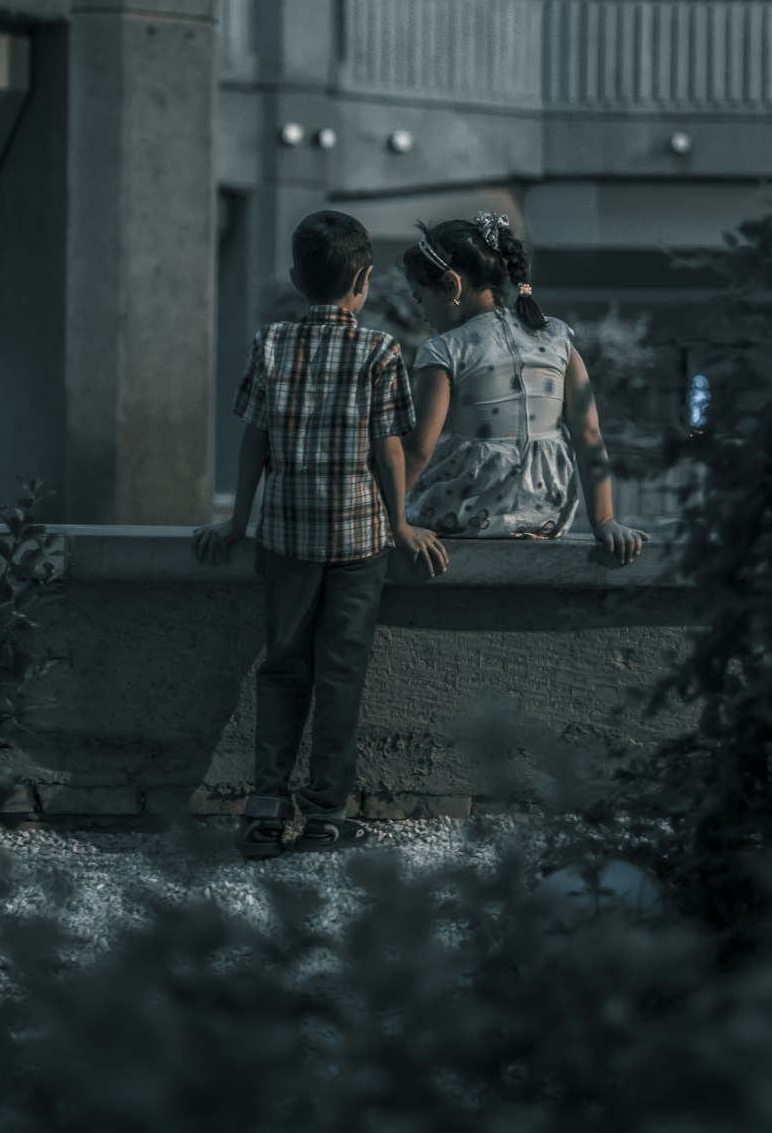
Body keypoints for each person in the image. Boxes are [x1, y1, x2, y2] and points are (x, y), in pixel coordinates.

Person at [193, 211, 448, 859]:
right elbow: (389, 450)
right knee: (340, 676)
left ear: (294, 278)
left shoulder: (270, 345)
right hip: (359, 542)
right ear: (363, 281)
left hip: (284, 538)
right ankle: (326, 813)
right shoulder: (381, 350)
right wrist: (400, 523)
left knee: (282, 670)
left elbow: (255, 442)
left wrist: (238, 521)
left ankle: (265, 807)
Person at [400, 211, 648, 564]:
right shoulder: (557, 338)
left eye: (421, 298)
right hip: (545, 514)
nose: (423, 313)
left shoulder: (445, 350)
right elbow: (589, 434)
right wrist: (605, 521)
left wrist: (388, 522)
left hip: (462, 512)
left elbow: (418, 450)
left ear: (452, 286)